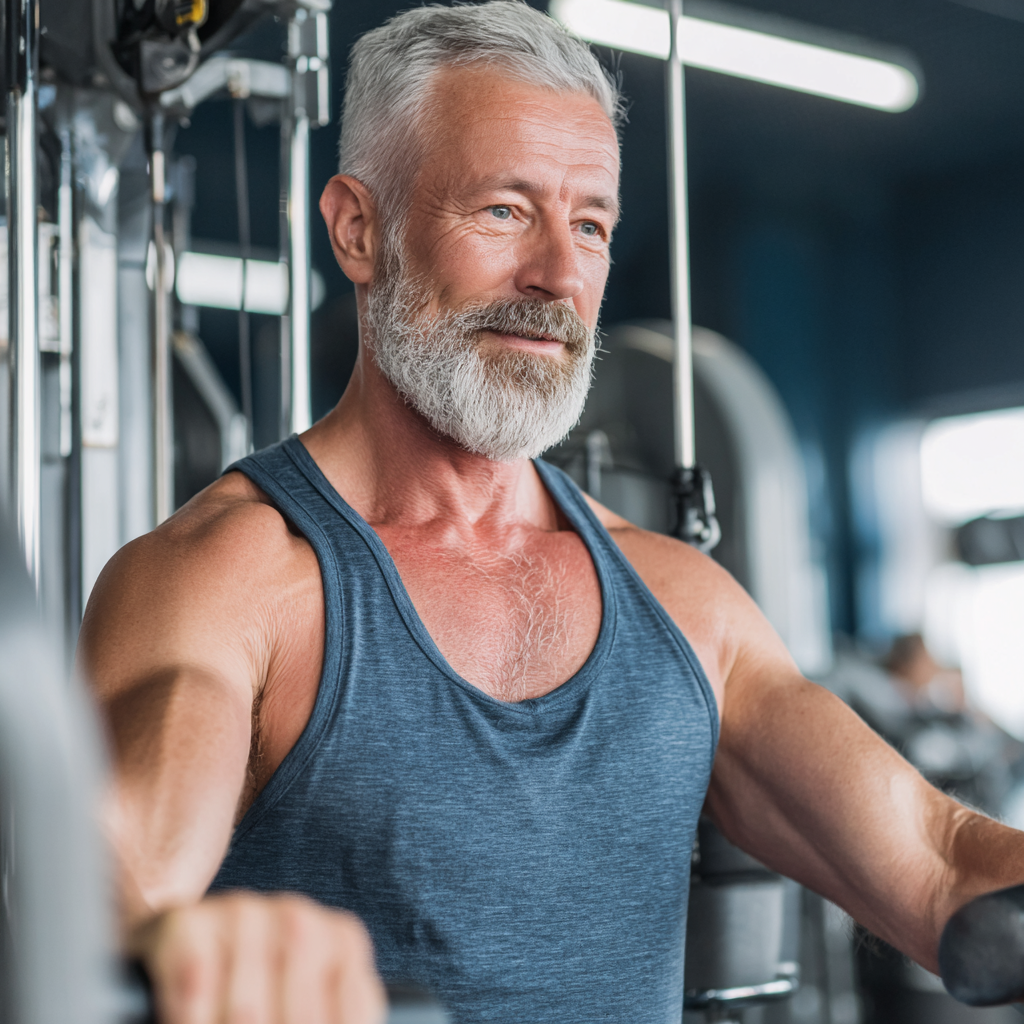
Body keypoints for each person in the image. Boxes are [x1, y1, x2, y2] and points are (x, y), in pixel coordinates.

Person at [78, 3, 1024, 1023]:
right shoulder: (226, 581)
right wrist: (169, 941)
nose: (559, 277)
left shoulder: (684, 607)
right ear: (359, 229)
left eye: (589, 225)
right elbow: (113, 901)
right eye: (502, 211)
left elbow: (937, 863)